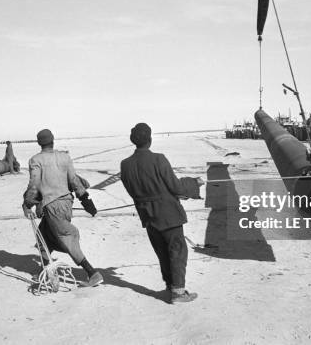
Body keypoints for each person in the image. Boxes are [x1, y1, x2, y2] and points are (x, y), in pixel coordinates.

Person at [120, 123, 203, 304]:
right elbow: (176, 187)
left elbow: (132, 191)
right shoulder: (159, 159)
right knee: (177, 251)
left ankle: (171, 286)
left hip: (148, 217)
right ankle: (179, 292)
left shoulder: (125, 165)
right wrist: (194, 183)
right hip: (168, 214)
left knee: (162, 252)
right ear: (149, 140)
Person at [22, 129, 103, 287]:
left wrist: (27, 204)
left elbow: (34, 186)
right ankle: (47, 271)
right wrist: (86, 200)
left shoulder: (35, 160)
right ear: (53, 140)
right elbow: (74, 180)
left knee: (67, 238)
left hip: (52, 206)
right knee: (42, 237)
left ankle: (93, 273)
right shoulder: (64, 157)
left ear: (39, 143)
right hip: (66, 203)